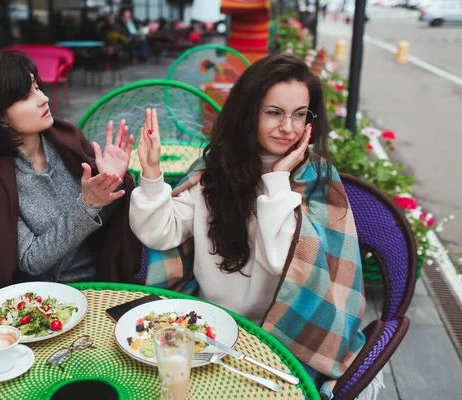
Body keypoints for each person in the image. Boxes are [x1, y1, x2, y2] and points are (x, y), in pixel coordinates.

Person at [129, 55, 370, 399]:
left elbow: (286, 263)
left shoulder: (317, 179)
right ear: (247, 113)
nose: (289, 127)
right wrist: (152, 174)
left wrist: (276, 179)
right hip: (211, 324)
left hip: (281, 338)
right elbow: (161, 233)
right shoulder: (217, 167)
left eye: (300, 114)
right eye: (274, 112)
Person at [0, 51, 142, 313]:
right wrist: (87, 204)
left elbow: (106, 226)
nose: (43, 98)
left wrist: (112, 183)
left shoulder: (66, 141)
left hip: (98, 286)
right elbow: (31, 261)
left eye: (36, 87)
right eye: (25, 96)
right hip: (34, 305)